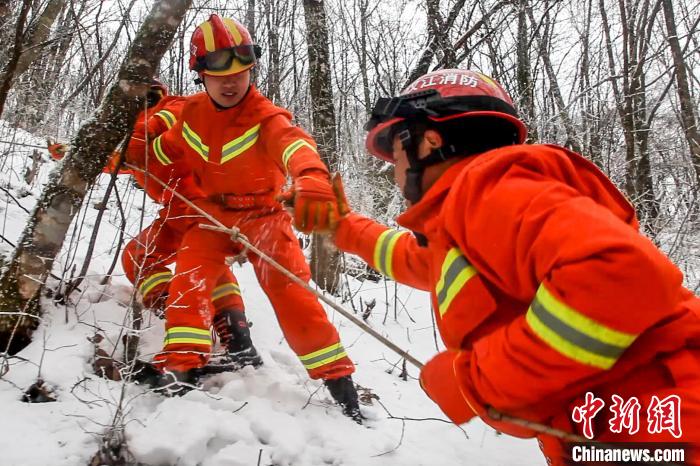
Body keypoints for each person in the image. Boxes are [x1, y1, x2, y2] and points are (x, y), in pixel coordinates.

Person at [296, 69, 700, 461]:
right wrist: (341, 227)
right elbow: (411, 259)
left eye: (397, 156)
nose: (394, 174)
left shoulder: (489, 189)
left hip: (662, 419)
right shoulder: (472, 219)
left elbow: (621, 276)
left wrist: (476, 379)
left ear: (429, 142)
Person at [147, 14, 360, 421]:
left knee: (293, 294)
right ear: (201, 75)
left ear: (251, 70)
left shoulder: (266, 116)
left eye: (241, 72)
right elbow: (158, 154)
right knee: (188, 282)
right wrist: (112, 155)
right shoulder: (190, 113)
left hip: (265, 216)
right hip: (210, 215)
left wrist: (311, 177)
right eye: (219, 73)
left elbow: (295, 145)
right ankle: (182, 368)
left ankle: (341, 385)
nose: (231, 83)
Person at [49, 81, 262, 371]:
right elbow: (122, 160)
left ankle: (235, 339)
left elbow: (178, 118)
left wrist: (147, 127)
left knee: (207, 262)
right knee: (138, 255)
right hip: (176, 209)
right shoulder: (134, 136)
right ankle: (174, 307)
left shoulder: (172, 106)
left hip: (202, 202)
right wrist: (73, 152)